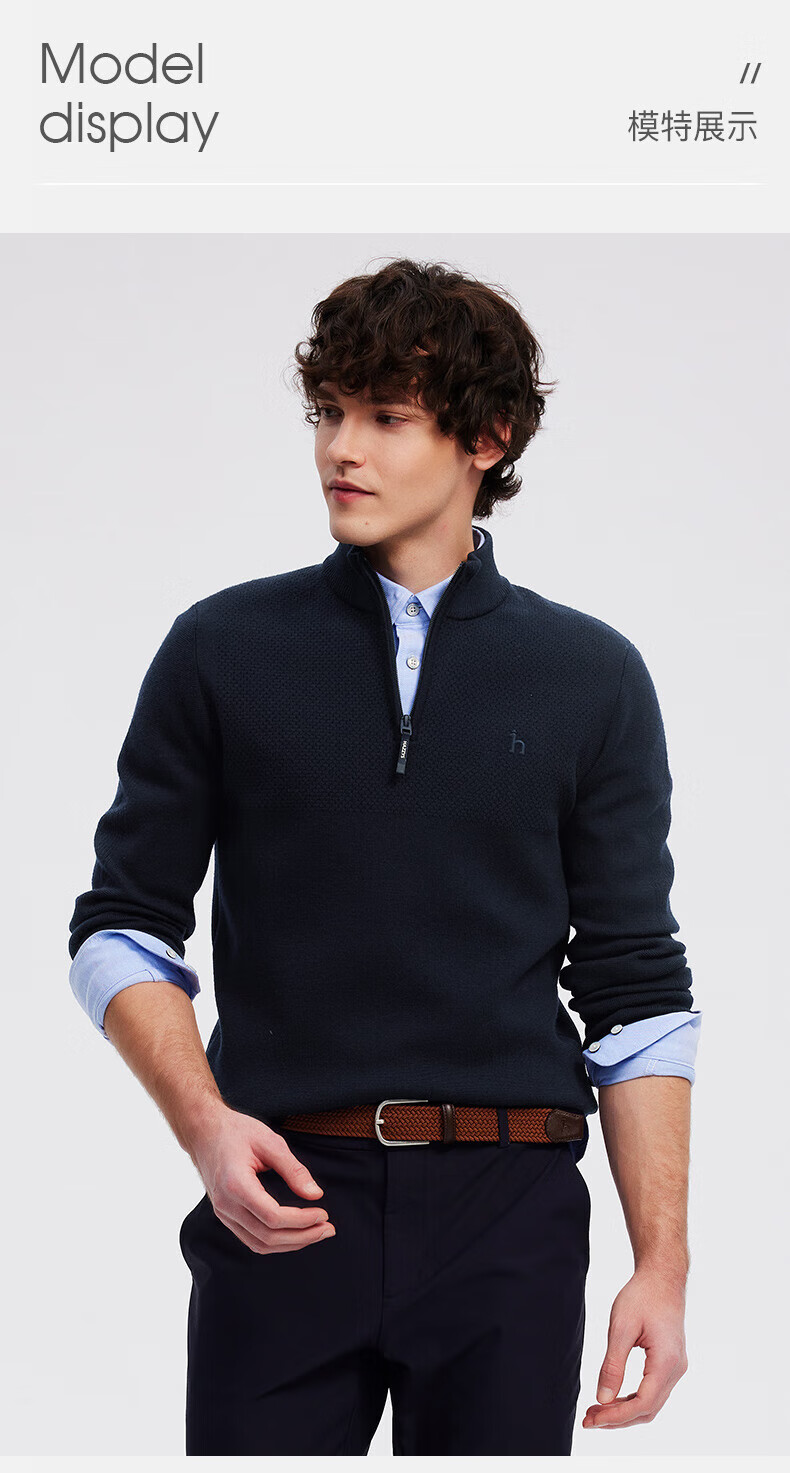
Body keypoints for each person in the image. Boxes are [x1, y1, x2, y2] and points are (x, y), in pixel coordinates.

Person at [68, 257, 702, 1456]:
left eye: (385, 417)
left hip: (510, 1213)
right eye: (328, 411)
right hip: (283, 1198)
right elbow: (121, 926)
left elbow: (635, 992)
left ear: (486, 439)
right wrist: (205, 1128)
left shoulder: (591, 678)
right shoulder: (220, 650)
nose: (339, 450)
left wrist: (659, 1266)